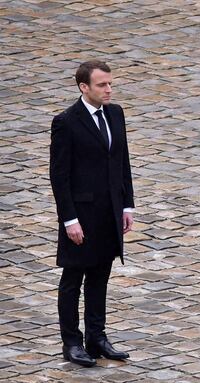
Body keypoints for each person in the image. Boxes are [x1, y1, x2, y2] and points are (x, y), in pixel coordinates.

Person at [49, 60, 135, 367]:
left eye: (110, 83)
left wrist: (126, 205)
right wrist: (69, 219)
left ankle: (96, 337)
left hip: (109, 211)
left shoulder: (116, 113)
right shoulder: (67, 122)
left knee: (101, 274)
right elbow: (59, 176)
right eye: (102, 85)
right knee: (73, 278)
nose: (109, 89)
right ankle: (71, 342)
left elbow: (121, 161)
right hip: (81, 215)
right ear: (84, 87)